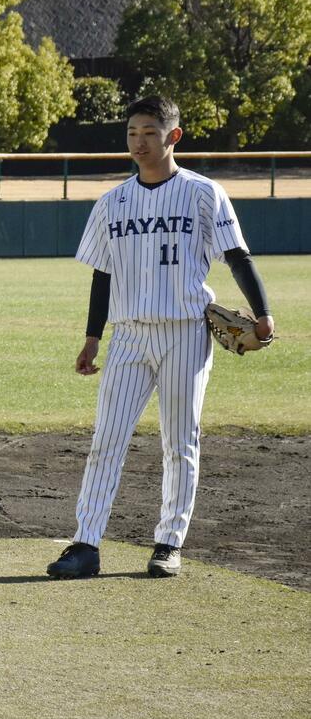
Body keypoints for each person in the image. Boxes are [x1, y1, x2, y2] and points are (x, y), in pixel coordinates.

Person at [49, 96, 274, 579]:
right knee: (106, 440)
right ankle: (86, 543)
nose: (139, 141)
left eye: (149, 132)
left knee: (179, 442)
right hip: (128, 337)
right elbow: (102, 276)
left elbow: (236, 256)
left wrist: (264, 314)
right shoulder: (113, 202)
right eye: (132, 132)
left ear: (173, 137)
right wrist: (92, 338)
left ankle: (169, 542)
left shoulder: (203, 193)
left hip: (186, 334)